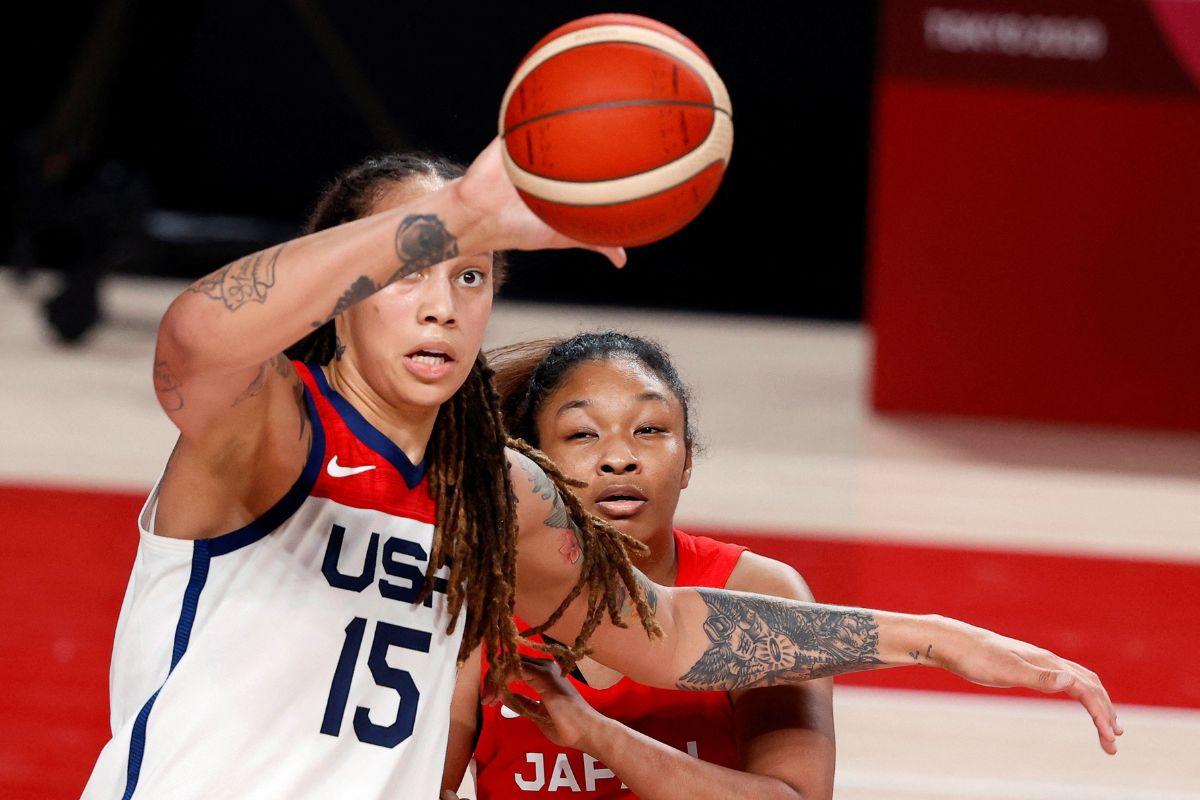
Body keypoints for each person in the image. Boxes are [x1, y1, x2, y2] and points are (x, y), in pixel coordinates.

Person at [82, 139, 1120, 800]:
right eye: (410, 273)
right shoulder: (266, 427)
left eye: (474, 274)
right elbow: (195, 331)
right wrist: (457, 215)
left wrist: (928, 636)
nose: (446, 301)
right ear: (345, 288)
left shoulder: (502, 494)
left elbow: (672, 632)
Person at [443, 332, 836, 799]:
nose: (619, 459)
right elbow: (415, 784)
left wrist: (600, 736)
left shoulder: (758, 592)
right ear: (533, 466)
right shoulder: (478, 598)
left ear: (687, 460)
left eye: (648, 430)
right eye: (582, 434)